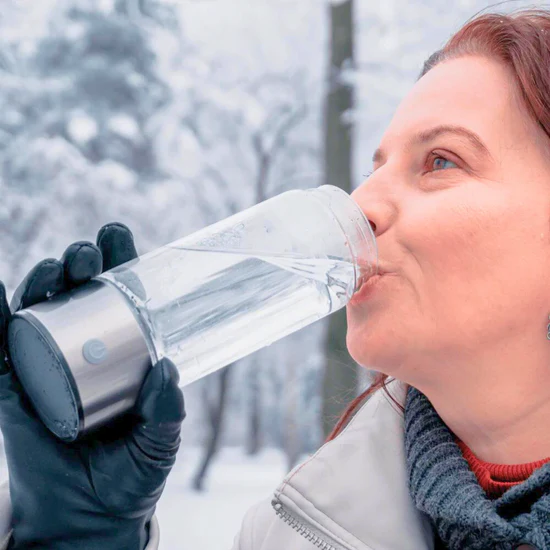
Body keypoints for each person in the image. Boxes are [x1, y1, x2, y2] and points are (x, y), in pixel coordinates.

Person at [2, 6, 550, 550]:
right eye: (374, 171)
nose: (361, 204)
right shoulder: (284, 535)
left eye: (440, 162)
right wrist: (78, 536)